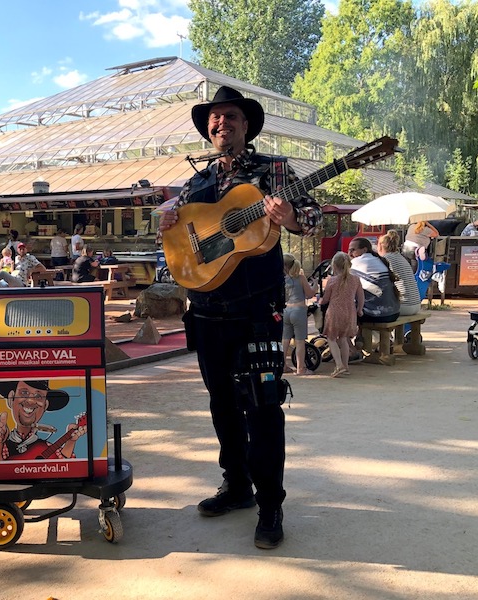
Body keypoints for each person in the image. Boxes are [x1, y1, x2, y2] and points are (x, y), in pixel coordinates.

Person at [158, 85, 323, 550]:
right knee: (221, 404)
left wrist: (290, 216)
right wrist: (167, 223)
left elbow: (314, 221)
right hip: (208, 311)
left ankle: (271, 503)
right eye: (214, 118)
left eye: (230, 116)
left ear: (246, 125)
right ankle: (237, 485)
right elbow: (179, 238)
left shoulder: (274, 171)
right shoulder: (196, 182)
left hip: (256, 309)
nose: (221, 123)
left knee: (264, 406)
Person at [0, 379, 86, 461]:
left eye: (38, 396)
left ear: (45, 405)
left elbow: (62, 465)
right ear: (11, 398)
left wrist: (70, 441)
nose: (31, 401)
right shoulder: (2, 444)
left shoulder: (45, 448)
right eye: (24, 393)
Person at [320, 252, 364, 378]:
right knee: (344, 339)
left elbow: (326, 299)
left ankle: (338, 365)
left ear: (334, 266)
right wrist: (359, 309)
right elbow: (361, 296)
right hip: (350, 311)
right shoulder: (355, 279)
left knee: (332, 338)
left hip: (335, 312)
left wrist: (320, 302)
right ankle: (345, 366)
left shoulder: (332, 281)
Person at [348, 237, 400, 324]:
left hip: (377, 315)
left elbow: (341, 282)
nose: (349, 253)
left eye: (353, 250)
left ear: (364, 250)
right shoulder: (378, 260)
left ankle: (343, 337)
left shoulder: (357, 262)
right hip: (394, 312)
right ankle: (360, 337)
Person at [281, 253, 317, 376]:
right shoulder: (300, 278)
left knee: (285, 340)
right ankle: (300, 368)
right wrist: (316, 284)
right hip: (299, 310)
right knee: (300, 341)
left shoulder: (282, 279)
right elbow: (309, 294)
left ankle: (283, 365)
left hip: (286, 310)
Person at [377, 230, 421, 316]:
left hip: (404, 305)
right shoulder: (401, 258)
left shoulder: (385, 259)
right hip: (416, 303)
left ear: (380, 246)